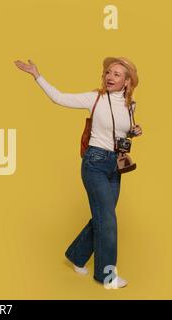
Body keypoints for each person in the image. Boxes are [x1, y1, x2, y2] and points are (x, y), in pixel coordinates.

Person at [14, 57, 142, 289]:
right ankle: (106, 276)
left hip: (116, 165)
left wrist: (134, 131)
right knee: (108, 221)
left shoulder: (130, 105)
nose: (110, 76)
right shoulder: (95, 98)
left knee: (103, 217)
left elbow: (120, 132)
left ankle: (76, 255)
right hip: (94, 163)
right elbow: (59, 98)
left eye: (117, 74)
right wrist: (37, 75)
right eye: (108, 72)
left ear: (127, 82)